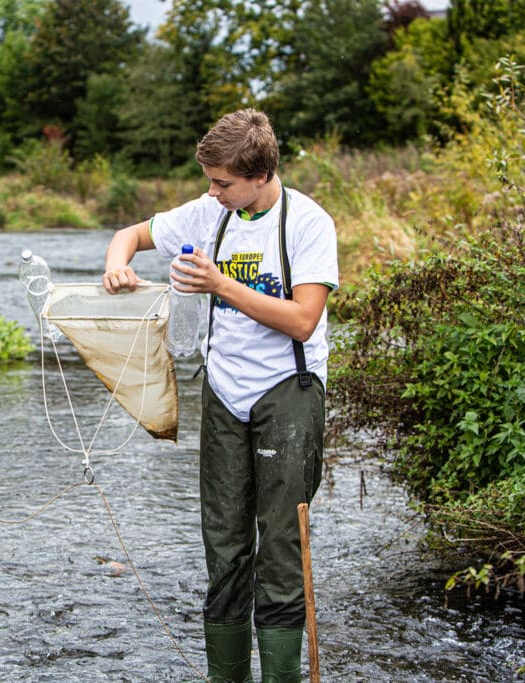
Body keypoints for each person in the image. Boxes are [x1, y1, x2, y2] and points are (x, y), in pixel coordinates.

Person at [102, 109, 338, 683]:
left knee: (280, 551)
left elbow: (304, 320)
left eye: (222, 182)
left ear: (259, 176)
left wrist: (220, 283)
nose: (211, 191)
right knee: (225, 548)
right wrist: (117, 268)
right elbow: (130, 235)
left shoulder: (308, 223)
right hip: (224, 395)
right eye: (209, 180)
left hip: (290, 392)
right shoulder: (209, 212)